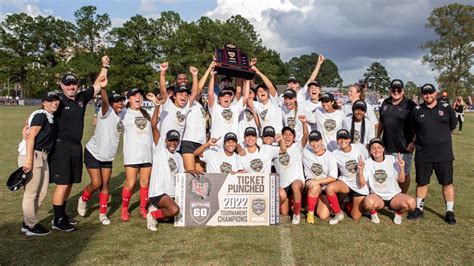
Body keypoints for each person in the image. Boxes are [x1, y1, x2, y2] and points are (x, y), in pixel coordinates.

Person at [23, 56, 109, 232]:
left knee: (70, 182)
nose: (71, 87)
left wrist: (105, 66)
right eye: (68, 84)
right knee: (63, 184)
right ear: (62, 85)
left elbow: (99, 83)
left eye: (74, 84)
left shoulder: (81, 98)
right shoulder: (57, 100)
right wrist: (25, 127)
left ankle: (61, 215)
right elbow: (38, 113)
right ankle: (57, 220)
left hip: (76, 146)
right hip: (61, 147)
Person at [408, 83, 457, 225]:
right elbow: (415, 130)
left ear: (436, 93)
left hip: (444, 154)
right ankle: (419, 209)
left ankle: (449, 211)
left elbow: (452, 125)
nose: (428, 95)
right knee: (422, 182)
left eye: (430, 92)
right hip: (423, 153)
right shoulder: (417, 110)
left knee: (447, 182)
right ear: (422, 95)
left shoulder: (446, 108)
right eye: (425, 93)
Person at [77, 87, 125, 225]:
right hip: (93, 152)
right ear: (110, 104)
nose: (119, 104)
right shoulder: (106, 112)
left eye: (121, 101)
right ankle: (84, 199)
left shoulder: (122, 114)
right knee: (96, 183)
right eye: (115, 102)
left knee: (105, 184)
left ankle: (103, 215)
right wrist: (103, 88)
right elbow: (104, 102)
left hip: (108, 156)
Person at [18, 91, 60, 236]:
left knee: (41, 193)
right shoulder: (41, 115)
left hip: (42, 156)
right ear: (44, 102)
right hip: (32, 155)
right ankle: (31, 225)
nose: (55, 102)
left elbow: (28, 121)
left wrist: (25, 125)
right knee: (31, 193)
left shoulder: (48, 116)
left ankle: (27, 222)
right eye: (51, 100)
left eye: (56, 100)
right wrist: (29, 161)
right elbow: (31, 138)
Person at [146, 94, 183, 231]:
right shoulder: (160, 149)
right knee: (174, 210)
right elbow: (154, 125)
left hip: (171, 192)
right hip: (159, 192)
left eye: (175, 141)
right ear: (165, 141)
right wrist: (157, 105)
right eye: (170, 140)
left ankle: (156, 208)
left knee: (173, 217)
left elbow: (181, 176)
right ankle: (152, 214)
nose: (173, 143)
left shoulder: (178, 157)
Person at [359, 138, 416, 225]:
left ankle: (398, 213)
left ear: (383, 149)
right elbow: (362, 183)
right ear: (370, 151)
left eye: (379, 147)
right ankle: (373, 213)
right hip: (377, 196)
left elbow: (402, 180)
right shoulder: (367, 162)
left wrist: (401, 168)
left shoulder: (392, 159)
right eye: (373, 148)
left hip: (394, 195)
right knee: (368, 203)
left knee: (411, 204)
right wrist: (360, 170)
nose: (376, 150)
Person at [377, 79, 417, 193]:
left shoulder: (410, 105)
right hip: (387, 145)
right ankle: (391, 195)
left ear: (403, 91)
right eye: (393, 89)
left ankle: (403, 195)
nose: (396, 92)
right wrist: (378, 137)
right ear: (390, 90)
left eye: (398, 90)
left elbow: (419, 126)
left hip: (403, 147)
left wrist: (413, 142)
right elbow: (381, 121)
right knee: (388, 172)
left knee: (404, 174)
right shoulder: (385, 102)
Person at [120, 88, 153, 221]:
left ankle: (143, 208)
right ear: (129, 99)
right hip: (132, 154)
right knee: (131, 183)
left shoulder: (148, 113)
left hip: (147, 154)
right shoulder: (124, 113)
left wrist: (156, 102)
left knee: (145, 183)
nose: (137, 97)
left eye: (139, 95)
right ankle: (124, 208)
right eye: (134, 96)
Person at [326, 129, 369, 225]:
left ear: (349, 139)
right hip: (346, 182)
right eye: (340, 139)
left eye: (345, 138)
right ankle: (338, 213)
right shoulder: (334, 153)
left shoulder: (360, 148)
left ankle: (346, 203)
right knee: (330, 188)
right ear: (337, 141)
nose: (342, 141)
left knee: (355, 216)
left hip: (360, 183)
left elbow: (369, 163)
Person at [274, 115, 309, 224]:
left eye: (290, 135)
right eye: (285, 134)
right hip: (283, 184)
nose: (287, 136)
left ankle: (297, 213)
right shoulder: (275, 150)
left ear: (294, 138)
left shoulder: (297, 147)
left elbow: (306, 136)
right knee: (284, 212)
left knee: (295, 186)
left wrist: (304, 123)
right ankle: (292, 203)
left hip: (296, 179)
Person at [181, 61, 215, 172]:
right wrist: (205, 70)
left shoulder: (200, 105)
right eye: (194, 92)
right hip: (188, 141)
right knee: (190, 174)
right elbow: (197, 89)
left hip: (200, 142)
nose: (198, 92)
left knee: (200, 174)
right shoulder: (187, 103)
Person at [302, 130, 338, 224]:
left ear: (321, 141)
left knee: (323, 215)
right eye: (312, 141)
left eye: (317, 141)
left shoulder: (330, 156)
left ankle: (318, 201)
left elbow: (333, 177)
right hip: (311, 183)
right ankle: (310, 213)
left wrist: (318, 181)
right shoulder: (305, 152)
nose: (314, 144)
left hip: (325, 185)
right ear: (309, 143)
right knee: (314, 186)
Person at [207, 74, 250, 146]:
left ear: (231, 98)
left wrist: (248, 81)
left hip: (231, 145)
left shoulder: (236, 108)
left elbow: (246, 97)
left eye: (228, 96)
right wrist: (212, 77)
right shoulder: (214, 108)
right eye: (224, 96)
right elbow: (210, 94)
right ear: (219, 99)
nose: (226, 98)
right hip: (216, 144)